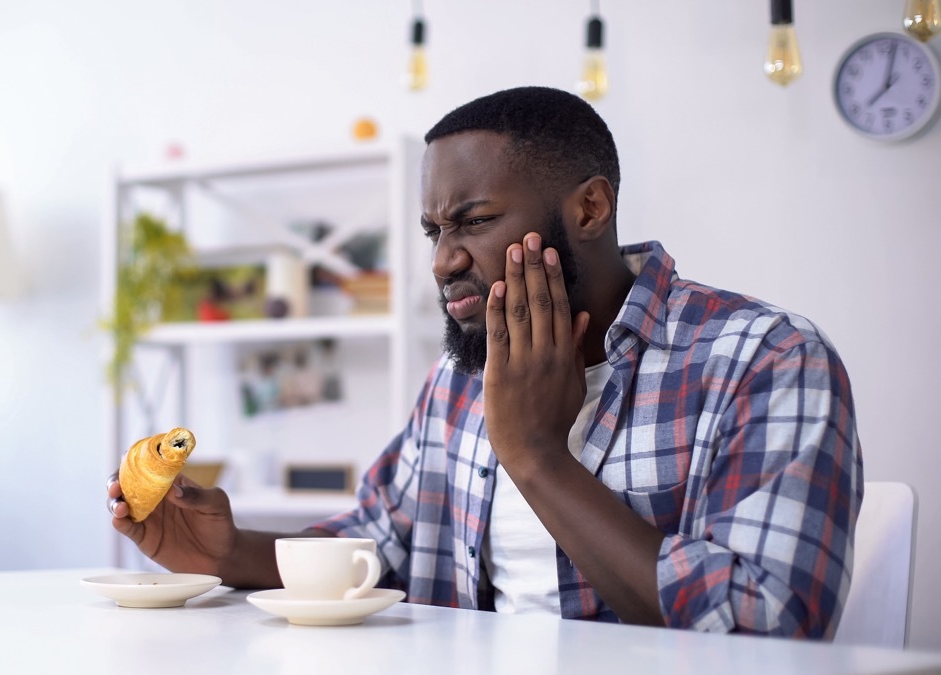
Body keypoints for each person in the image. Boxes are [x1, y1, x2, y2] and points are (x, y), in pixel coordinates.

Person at [106, 86, 862, 637]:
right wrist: (231, 551)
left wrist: (537, 457)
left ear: (589, 210)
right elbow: (380, 540)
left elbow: (773, 628)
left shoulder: (766, 361)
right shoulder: (461, 377)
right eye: (434, 230)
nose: (442, 261)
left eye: (473, 222)